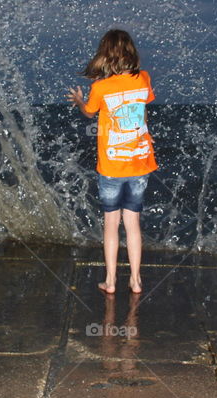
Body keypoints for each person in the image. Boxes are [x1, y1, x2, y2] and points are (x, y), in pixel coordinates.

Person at [66, 29, 158, 294]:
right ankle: (136, 280)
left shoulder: (100, 88)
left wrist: (80, 101)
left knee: (110, 224)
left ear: (104, 54)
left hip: (111, 167)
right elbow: (144, 100)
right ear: (130, 52)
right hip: (140, 163)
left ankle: (111, 281)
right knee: (133, 223)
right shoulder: (143, 79)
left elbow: (89, 112)